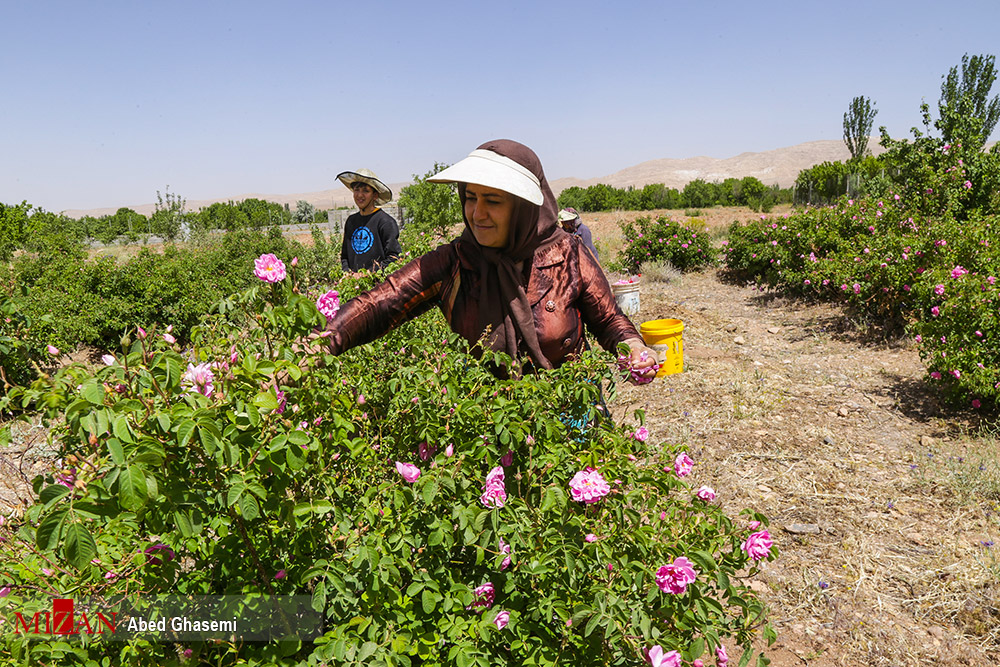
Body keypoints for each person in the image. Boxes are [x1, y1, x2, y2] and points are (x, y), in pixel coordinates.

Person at [319, 140, 656, 380]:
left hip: (567, 416)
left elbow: (609, 320)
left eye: (493, 201)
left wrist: (633, 347)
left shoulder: (567, 254)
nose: (477, 214)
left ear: (524, 207)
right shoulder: (457, 261)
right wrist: (317, 345)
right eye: (470, 198)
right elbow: (381, 302)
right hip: (490, 426)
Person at [336, 168, 402, 272]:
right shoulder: (351, 221)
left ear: (375, 195)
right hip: (353, 285)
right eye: (356, 190)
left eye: (365, 191)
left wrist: (367, 274)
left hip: (379, 286)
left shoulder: (385, 222)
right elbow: (345, 256)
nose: (360, 195)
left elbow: (394, 257)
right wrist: (347, 274)